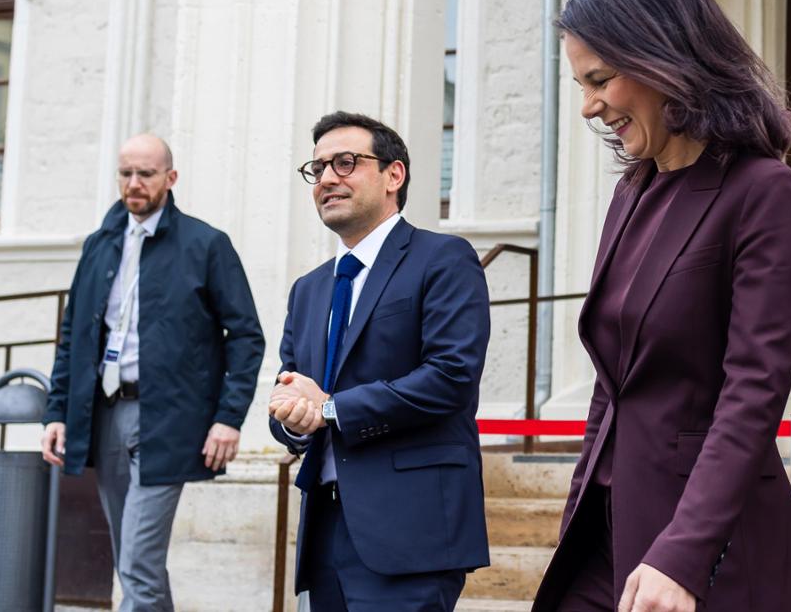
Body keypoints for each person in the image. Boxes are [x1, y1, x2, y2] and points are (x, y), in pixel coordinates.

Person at [529, 0, 791, 612]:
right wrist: (578, 509)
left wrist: (684, 553)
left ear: (663, 58)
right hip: (603, 533)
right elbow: (612, 386)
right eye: (580, 84)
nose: (588, 107)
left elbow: (752, 390)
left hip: (710, 548)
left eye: (599, 80)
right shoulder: (632, 191)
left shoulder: (762, 191)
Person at [268, 112, 491, 612]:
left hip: (410, 529)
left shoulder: (443, 259)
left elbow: (450, 377)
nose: (327, 178)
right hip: (324, 531)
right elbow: (291, 394)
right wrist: (294, 419)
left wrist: (329, 409)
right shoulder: (309, 290)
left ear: (394, 175)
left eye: (345, 163)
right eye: (318, 168)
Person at [40, 134, 264, 611]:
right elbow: (73, 338)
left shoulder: (206, 244)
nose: (134, 184)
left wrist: (229, 417)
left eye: (145, 173)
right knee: (133, 562)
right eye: (126, 174)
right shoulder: (99, 246)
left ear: (170, 178)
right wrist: (55, 412)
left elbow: (246, 336)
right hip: (106, 415)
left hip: (170, 420)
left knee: (138, 562)